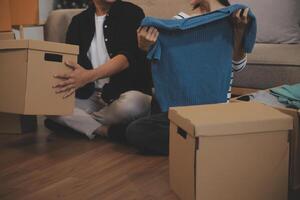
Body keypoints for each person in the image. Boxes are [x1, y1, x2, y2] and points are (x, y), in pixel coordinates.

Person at [126, 0, 251, 155]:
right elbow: (159, 57)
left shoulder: (235, 17)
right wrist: (145, 46)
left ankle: (196, 141)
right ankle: (203, 142)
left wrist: (239, 30)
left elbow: (237, 66)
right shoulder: (180, 20)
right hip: (180, 109)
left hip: (214, 111)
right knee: (136, 130)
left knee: (137, 131)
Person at [45, 0, 152, 140]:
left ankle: (81, 123)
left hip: (123, 97)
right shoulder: (78, 22)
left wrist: (88, 76)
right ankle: (105, 130)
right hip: (90, 96)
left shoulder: (131, 12)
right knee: (48, 104)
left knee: (133, 104)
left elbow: (126, 58)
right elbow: (71, 63)